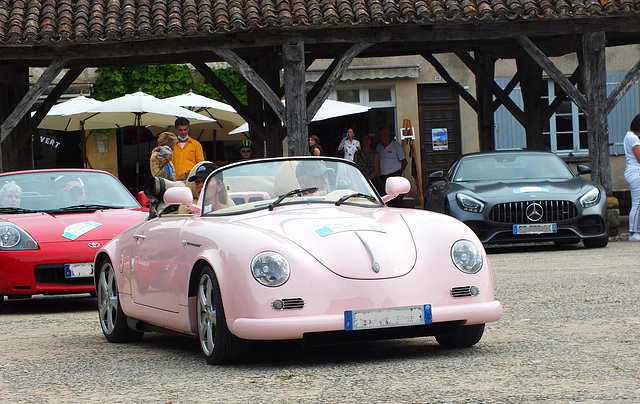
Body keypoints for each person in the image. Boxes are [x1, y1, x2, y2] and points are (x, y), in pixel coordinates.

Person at [375, 127, 408, 208]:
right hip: (383, 178)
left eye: (384, 135)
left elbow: (404, 162)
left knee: (397, 203)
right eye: (380, 135)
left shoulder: (396, 146)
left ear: (389, 135)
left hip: (394, 176)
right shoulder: (378, 146)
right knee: (387, 202)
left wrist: (399, 173)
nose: (383, 137)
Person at [624, 114, 640, 241]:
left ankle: (636, 230)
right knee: (637, 203)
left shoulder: (628, 136)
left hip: (631, 171)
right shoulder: (634, 139)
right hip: (636, 172)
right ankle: (633, 232)